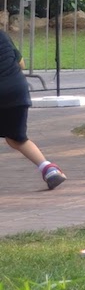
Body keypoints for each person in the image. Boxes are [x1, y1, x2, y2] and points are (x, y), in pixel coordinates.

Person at [1, 26, 65, 189]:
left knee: (15, 138)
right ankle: (48, 168)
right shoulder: (2, 35)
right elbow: (21, 63)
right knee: (17, 138)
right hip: (18, 91)